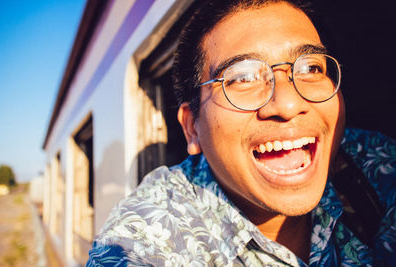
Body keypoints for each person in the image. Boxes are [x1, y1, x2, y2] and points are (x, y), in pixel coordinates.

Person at [87, 0, 396, 266]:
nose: (288, 103)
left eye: (311, 68)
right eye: (242, 78)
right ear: (192, 127)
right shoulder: (146, 237)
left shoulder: (372, 159)